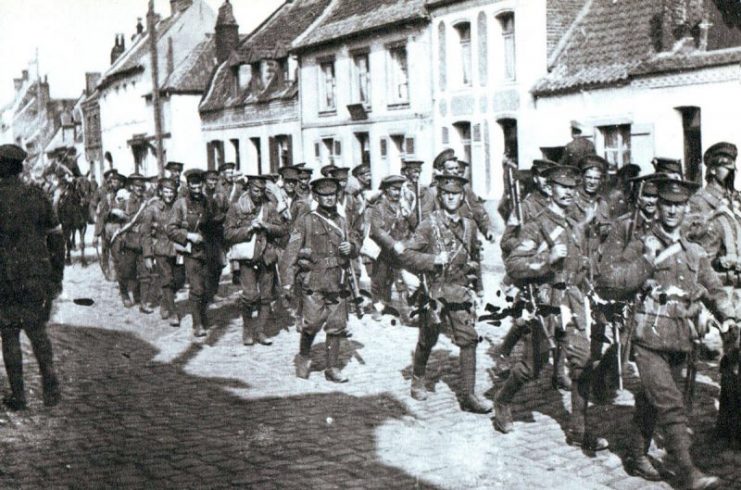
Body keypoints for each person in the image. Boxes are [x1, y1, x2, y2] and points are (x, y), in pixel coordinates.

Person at [599, 178, 735, 488]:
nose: (672, 210)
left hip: (681, 337)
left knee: (652, 399)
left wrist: (726, 315)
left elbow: (712, 287)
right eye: (667, 204)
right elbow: (612, 280)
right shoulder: (642, 243)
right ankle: (687, 473)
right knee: (671, 404)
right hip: (648, 337)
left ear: (687, 208)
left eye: (678, 205)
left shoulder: (693, 250)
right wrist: (647, 259)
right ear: (657, 207)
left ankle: (636, 454)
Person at [494, 165, 609, 451]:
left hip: (572, 301)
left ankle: (579, 430)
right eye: (563, 187)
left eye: (572, 188)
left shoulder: (576, 223)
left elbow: (584, 263)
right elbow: (514, 264)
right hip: (546, 302)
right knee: (533, 366)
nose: (568, 192)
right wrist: (547, 258)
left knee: (582, 361)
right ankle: (502, 400)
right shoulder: (537, 223)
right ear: (551, 188)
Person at [401, 174, 492, 414]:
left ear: (462, 196)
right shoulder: (429, 224)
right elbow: (408, 255)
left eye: (456, 194)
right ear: (440, 196)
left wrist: (479, 288)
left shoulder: (469, 226)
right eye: (447, 194)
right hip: (435, 293)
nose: (451, 198)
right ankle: (418, 377)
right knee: (428, 339)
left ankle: (470, 395)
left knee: (469, 339)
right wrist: (432, 260)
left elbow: (474, 260)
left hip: (460, 292)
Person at [0, 144, 65, 409]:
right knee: (38, 332)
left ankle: (19, 396)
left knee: (9, 335)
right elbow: (57, 238)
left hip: (4, 280)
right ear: (20, 167)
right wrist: (56, 277)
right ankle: (50, 388)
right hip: (37, 277)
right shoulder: (37, 196)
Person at [280, 177, 361, 383]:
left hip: (338, 279)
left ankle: (332, 368)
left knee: (337, 324)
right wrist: (287, 282)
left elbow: (354, 243)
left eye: (332, 195)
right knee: (312, 323)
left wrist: (350, 248)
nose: (329, 199)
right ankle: (304, 356)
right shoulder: (306, 220)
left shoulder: (341, 221)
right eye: (324, 196)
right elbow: (291, 251)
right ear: (316, 197)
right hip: (314, 279)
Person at [225, 175, 288, 346]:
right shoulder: (237, 207)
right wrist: (248, 229)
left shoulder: (270, 207)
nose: (259, 194)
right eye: (255, 190)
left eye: (262, 190)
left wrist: (267, 226)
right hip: (248, 258)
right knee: (249, 296)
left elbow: (283, 229)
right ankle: (247, 329)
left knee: (266, 297)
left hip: (267, 257)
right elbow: (228, 233)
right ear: (249, 188)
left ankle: (260, 331)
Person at [167, 169, 224, 338]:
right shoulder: (181, 205)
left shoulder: (209, 202)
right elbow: (170, 229)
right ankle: (197, 323)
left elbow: (218, 222)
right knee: (197, 288)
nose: (197, 188)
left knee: (208, 289)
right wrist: (189, 236)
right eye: (193, 184)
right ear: (189, 185)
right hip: (191, 251)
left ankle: (202, 315)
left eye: (199, 184)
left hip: (209, 251)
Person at [366, 175, 418, 317]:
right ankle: (378, 307)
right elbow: (377, 230)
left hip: (403, 248)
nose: (397, 192)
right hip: (384, 249)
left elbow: (416, 226)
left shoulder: (405, 204)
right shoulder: (379, 207)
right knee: (380, 279)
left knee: (403, 279)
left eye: (399, 189)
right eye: (394, 189)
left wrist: (409, 214)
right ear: (387, 190)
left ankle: (405, 309)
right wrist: (393, 244)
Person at [141, 178, 185, 326]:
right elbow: (145, 234)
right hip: (160, 248)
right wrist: (147, 255)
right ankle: (173, 313)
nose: (169, 194)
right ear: (160, 192)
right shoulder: (152, 209)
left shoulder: (179, 206)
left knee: (179, 279)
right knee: (167, 279)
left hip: (179, 248)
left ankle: (165, 302)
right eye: (166, 191)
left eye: (171, 191)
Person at [114, 173, 157, 312]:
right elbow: (116, 219)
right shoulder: (125, 201)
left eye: (141, 185)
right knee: (127, 271)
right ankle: (124, 293)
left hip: (144, 242)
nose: (139, 188)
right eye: (136, 185)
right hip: (129, 242)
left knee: (145, 273)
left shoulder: (147, 201)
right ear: (131, 186)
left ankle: (143, 302)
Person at [92, 170, 126, 279]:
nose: (114, 183)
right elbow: (100, 213)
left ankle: (117, 273)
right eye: (113, 181)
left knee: (118, 250)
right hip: (106, 225)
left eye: (117, 181)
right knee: (105, 249)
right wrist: (96, 233)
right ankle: (106, 270)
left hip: (119, 226)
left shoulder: (124, 194)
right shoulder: (105, 193)